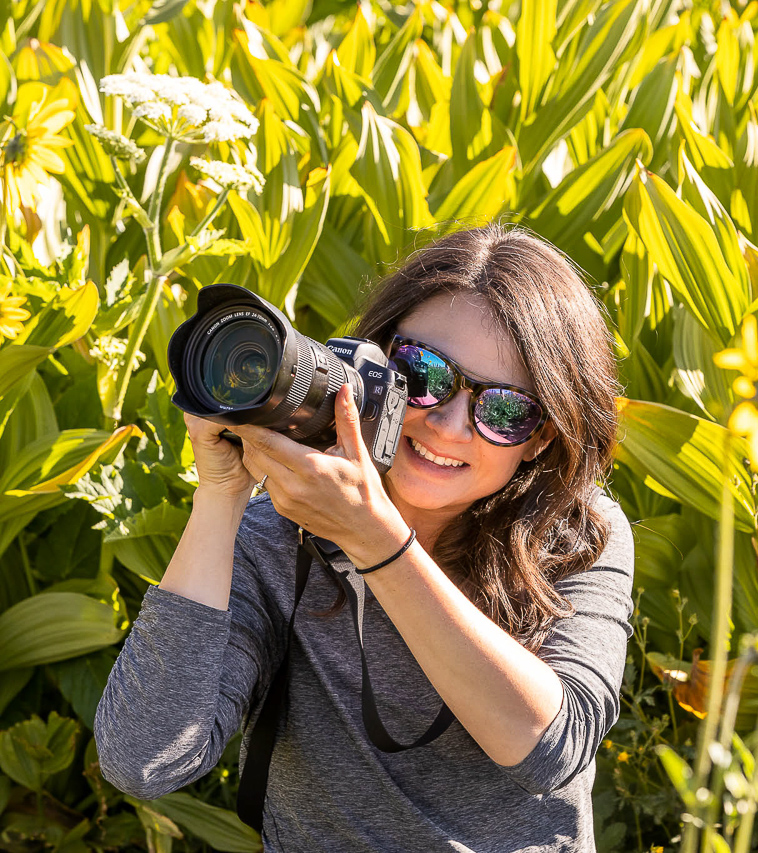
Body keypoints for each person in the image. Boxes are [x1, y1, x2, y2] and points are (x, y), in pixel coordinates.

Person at [93, 223, 636, 852]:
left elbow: (549, 750)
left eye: (506, 410)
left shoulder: (576, 536)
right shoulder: (279, 531)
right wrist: (220, 496)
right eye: (423, 372)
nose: (450, 425)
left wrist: (378, 544)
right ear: (371, 362)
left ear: (542, 437)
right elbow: (144, 759)